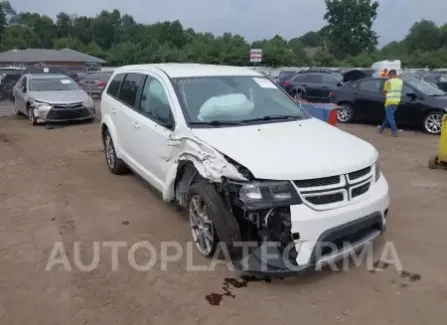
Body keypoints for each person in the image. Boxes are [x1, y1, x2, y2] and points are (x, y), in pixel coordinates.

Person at [379, 69, 402, 137]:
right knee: (388, 117)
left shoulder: (388, 82)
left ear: (391, 74)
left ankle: (394, 130)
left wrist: (385, 98)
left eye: (389, 75)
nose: (388, 76)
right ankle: (381, 128)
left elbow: (385, 92)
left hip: (389, 101)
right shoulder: (400, 81)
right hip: (397, 101)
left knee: (390, 117)